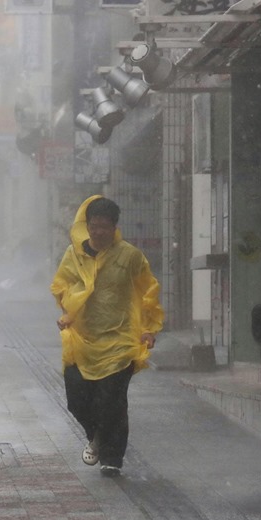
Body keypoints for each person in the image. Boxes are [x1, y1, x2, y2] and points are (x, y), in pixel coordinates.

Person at [50, 195, 163, 477]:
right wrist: (69, 308)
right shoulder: (73, 254)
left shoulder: (130, 256)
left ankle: (113, 457)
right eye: (93, 225)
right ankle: (96, 437)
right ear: (86, 226)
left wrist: (149, 328)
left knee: (112, 400)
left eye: (104, 226)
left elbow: (147, 292)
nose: (98, 231)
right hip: (83, 340)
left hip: (121, 339)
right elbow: (61, 285)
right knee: (77, 397)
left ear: (114, 227)